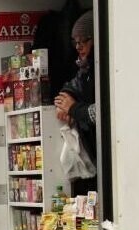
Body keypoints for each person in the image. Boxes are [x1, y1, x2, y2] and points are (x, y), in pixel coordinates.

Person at [55, 10, 96, 196]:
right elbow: (74, 85)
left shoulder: (104, 68)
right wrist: (63, 99)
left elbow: (101, 112)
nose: (78, 47)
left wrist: (72, 108)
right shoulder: (86, 67)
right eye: (75, 42)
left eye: (83, 40)